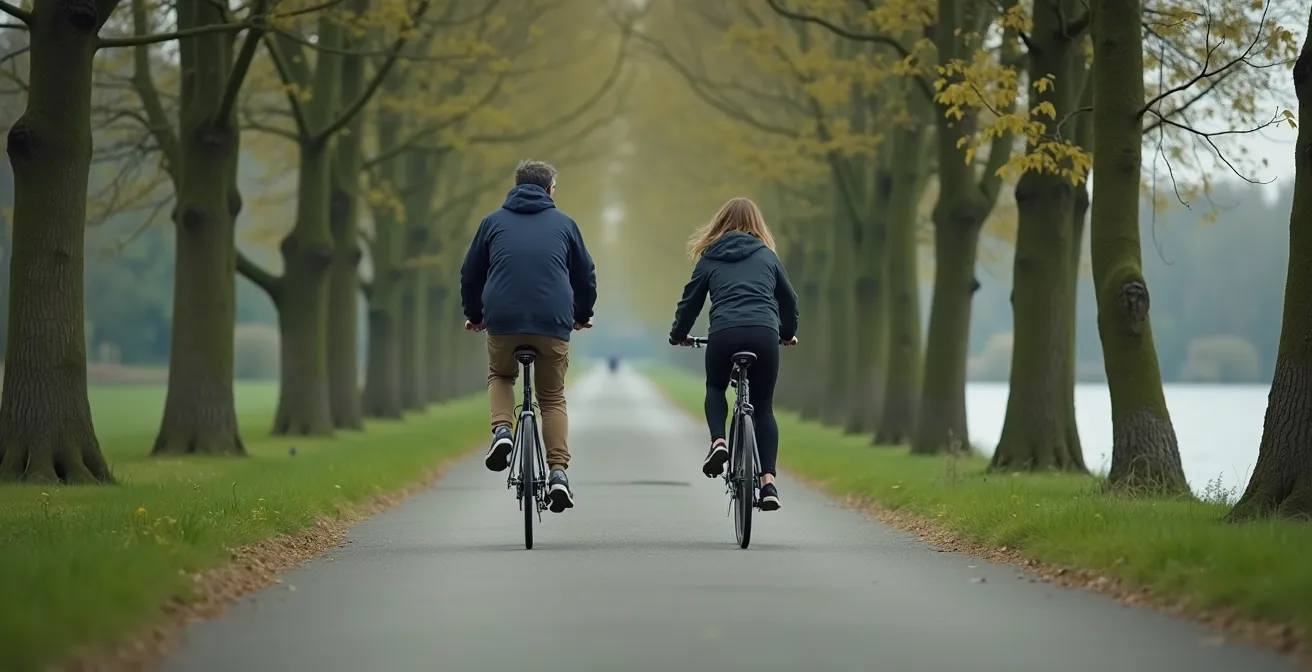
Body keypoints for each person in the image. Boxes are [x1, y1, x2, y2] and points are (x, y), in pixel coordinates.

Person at [460, 159, 596, 513]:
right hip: (552, 321)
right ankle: (558, 473)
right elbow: (585, 275)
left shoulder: (491, 223)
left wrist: (475, 315)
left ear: (516, 186)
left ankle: (503, 431)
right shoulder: (565, 224)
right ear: (550, 190)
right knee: (551, 398)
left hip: (503, 319)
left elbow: (471, 273)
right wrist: (582, 315)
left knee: (501, 375)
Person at [668, 197, 799, 511]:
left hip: (724, 333)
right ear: (758, 224)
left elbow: (690, 303)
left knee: (715, 387)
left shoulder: (710, 258)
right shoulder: (767, 256)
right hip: (764, 333)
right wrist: (786, 333)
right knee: (763, 407)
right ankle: (768, 483)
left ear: (720, 223)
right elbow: (789, 301)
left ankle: (719, 442)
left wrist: (678, 334)